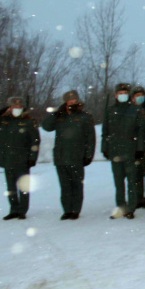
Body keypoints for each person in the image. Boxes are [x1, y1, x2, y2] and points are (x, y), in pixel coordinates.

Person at [41, 90, 96, 220]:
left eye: (75, 101)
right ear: (65, 102)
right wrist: (55, 113)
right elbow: (46, 126)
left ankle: (75, 210)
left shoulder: (85, 117)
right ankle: (67, 210)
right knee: (65, 186)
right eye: (69, 101)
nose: (72, 103)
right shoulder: (60, 116)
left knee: (77, 185)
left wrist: (88, 155)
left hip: (77, 156)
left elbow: (91, 138)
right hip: (61, 157)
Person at [0, 96, 40, 220]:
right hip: (7, 158)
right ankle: (13, 209)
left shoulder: (28, 121)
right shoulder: (2, 121)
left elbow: (35, 141)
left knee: (23, 186)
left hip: (22, 159)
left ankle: (22, 210)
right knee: (10, 187)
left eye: (19, 106)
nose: (17, 108)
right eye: (14, 106)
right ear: (9, 107)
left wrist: (32, 158)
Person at [101, 83, 145, 219]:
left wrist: (139, 149)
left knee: (132, 181)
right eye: (120, 93)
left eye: (124, 93)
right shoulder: (110, 110)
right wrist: (105, 148)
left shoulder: (135, 110)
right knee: (118, 183)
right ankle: (120, 207)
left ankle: (131, 208)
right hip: (115, 151)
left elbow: (140, 131)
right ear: (116, 95)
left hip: (130, 151)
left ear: (129, 95)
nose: (122, 95)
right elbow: (105, 131)